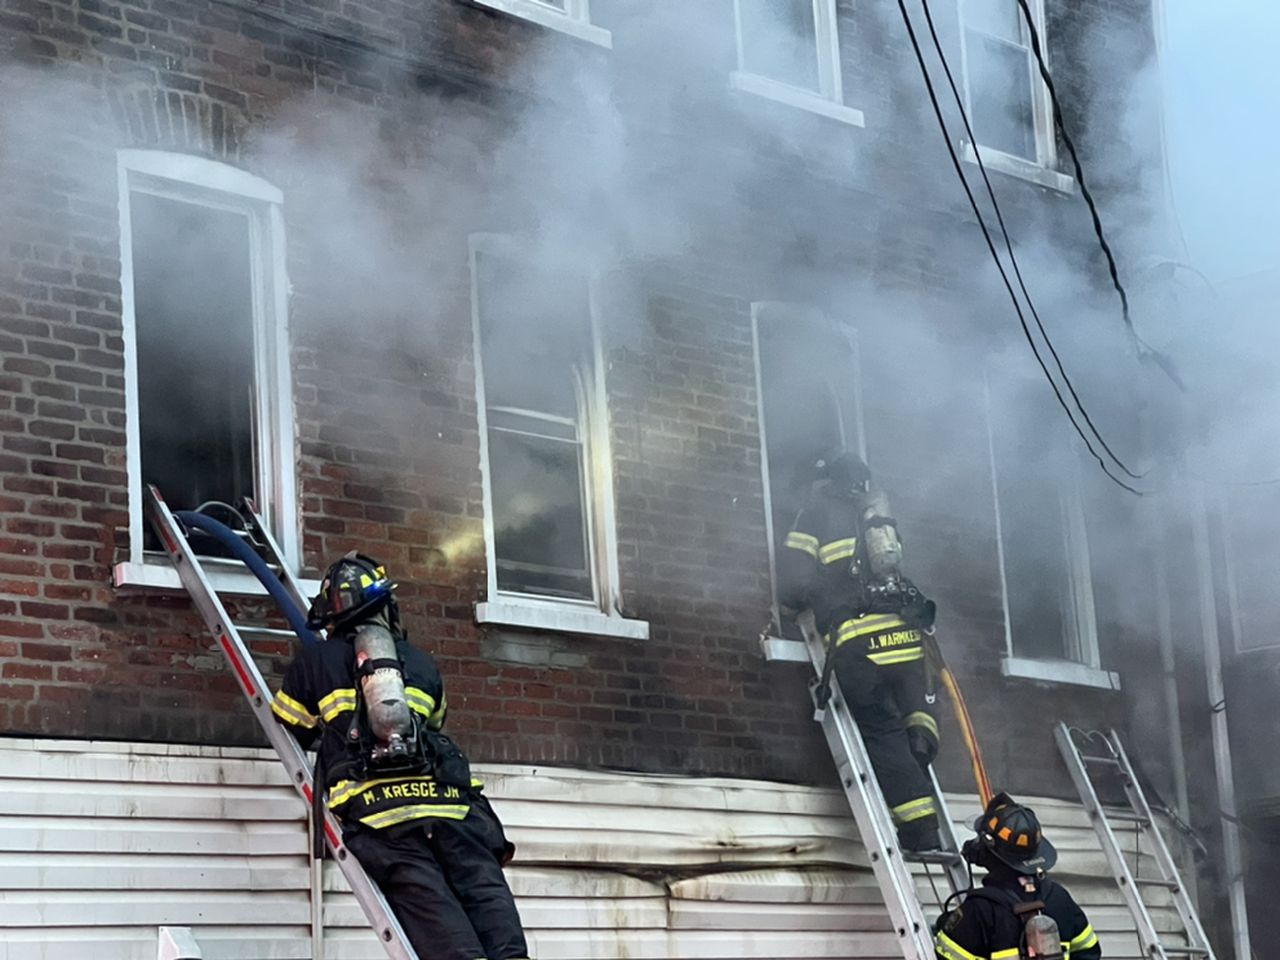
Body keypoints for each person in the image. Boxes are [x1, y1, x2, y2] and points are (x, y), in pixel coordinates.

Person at [271, 551, 529, 960]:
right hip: (453, 810)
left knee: (448, 937)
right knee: (488, 905)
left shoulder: (315, 662)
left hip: (382, 820)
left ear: (331, 619)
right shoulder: (423, 664)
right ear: (386, 608)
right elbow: (435, 723)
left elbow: (290, 724)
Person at [778, 450, 941, 851]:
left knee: (882, 732)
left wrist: (803, 600)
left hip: (859, 643)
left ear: (828, 481)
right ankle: (918, 746)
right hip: (905, 639)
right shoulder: (878, 520)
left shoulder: (814, 515)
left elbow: (792, 585)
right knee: (915, 715)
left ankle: (920, 830)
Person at [935, 792, 1101, 959]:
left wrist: (950, 926)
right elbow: (1089, 952)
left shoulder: (979, 910)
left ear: (988, 851)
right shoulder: (1060, 898)